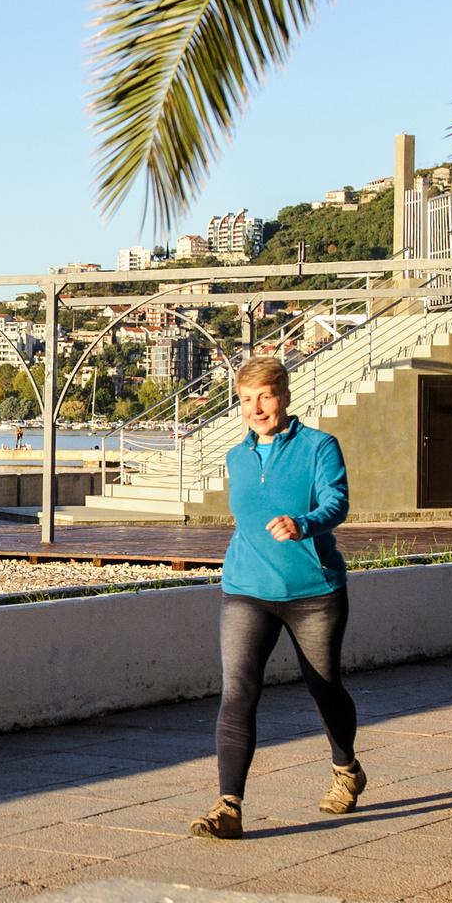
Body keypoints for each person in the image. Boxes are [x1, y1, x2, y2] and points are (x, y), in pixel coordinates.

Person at [191, 354, 364, 840]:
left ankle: (346, 768)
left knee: (324, 688)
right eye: (246, 399)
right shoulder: (237, 457)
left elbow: (337, 501)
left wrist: (303, 524)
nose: (256, 408)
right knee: (238, 692)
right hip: (246, 590)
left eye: (265, 396)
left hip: (314, 593)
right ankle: (229, 805)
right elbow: (247, 520)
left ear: (285, 395)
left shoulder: (318, 446)